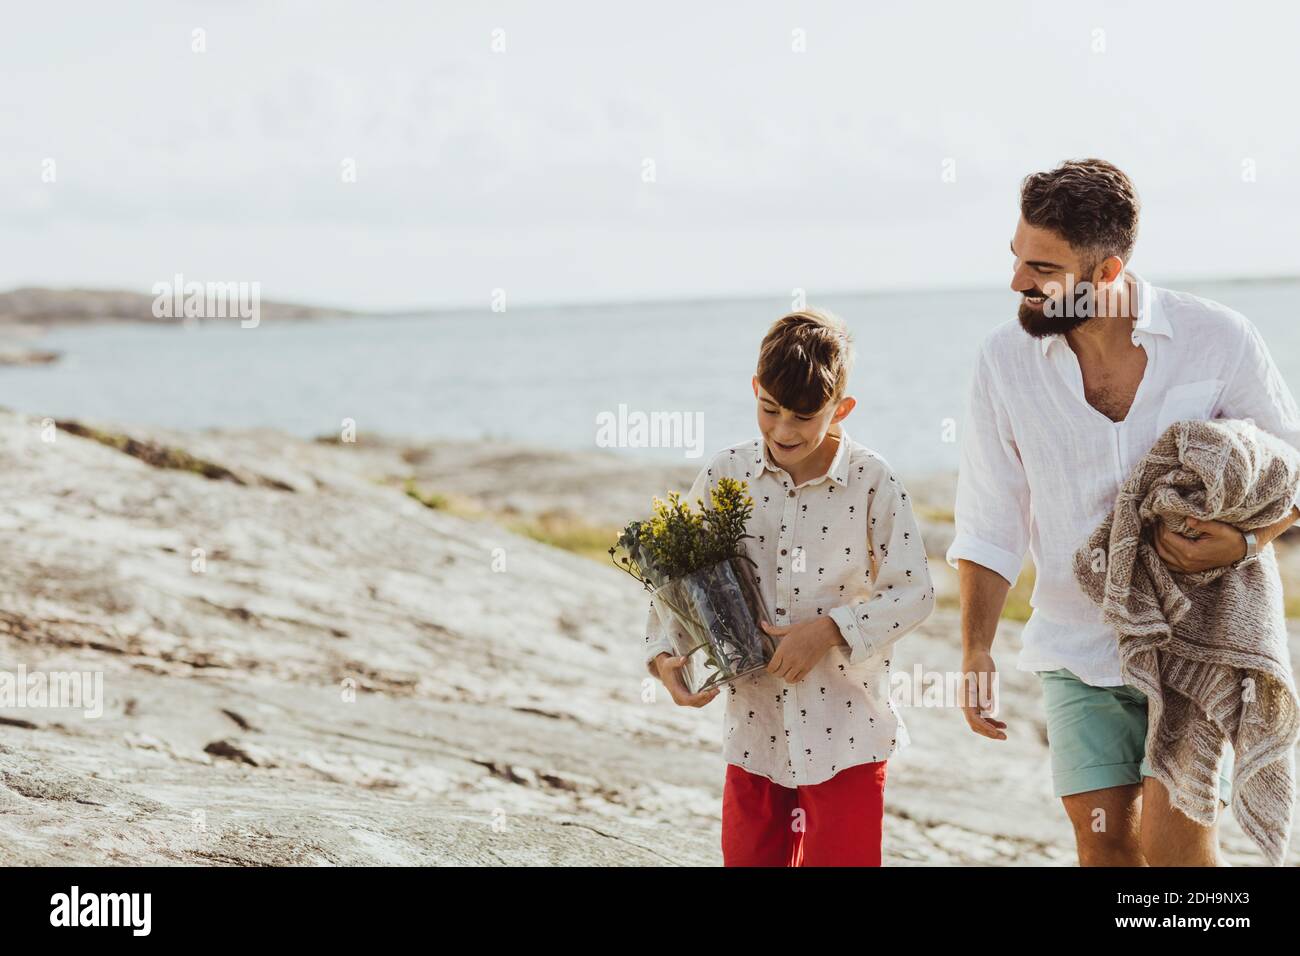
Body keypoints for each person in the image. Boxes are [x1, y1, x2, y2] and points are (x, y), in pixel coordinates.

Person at [948, 158, 1300, 866]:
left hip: (1194, 643)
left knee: (1178, 850)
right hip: (1075, 648)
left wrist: (1242, 543)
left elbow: (1289, 468)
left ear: (1107, 274)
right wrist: (975, 648)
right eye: (1016, 257)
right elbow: (991, 517)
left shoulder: (1218, 339)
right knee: (1103, 846)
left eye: (1042, 267)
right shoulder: (1003, 362)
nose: (1018, 281)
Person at [644, 308, 935, 866]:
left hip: (847, 731)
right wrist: (664, 657)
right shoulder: (725, 472)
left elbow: (915, 593)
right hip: (755, 727)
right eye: (769, 409)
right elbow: (674, 579)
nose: (783, 431)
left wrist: (828, 631)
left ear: (841, 409)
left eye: (804, 417)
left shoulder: (873, 481)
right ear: (755, 389)